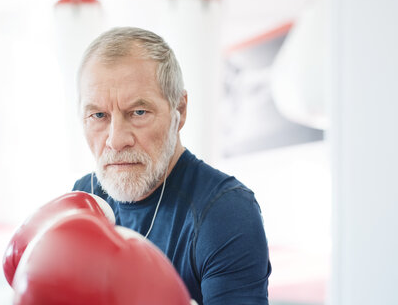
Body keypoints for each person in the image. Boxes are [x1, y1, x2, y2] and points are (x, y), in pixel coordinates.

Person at [72, 26, 271, 305]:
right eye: (98, 115)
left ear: (180, 109)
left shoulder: (225, 212)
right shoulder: (85, 196)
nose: (116, 141)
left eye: (138, 112)